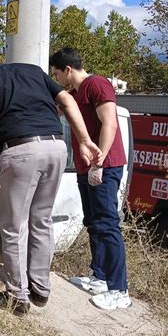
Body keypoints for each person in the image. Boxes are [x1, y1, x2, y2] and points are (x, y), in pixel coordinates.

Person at [0, 47, 100, 316]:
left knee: (14, 227)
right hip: (56, 149)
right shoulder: (33, 71)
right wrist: (85, 140)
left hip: (20, 151)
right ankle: (41, 288)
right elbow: (68, 101)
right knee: (41, 221)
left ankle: (17, 297)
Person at [50, 47, 131, 310]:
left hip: (105, 166)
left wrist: (100, 162)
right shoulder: (74, 93)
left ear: (68, 70)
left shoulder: (97, 84)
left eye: (56, 73)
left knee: (108, 225)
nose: (56, 78)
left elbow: (110, 124)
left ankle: (120, 290)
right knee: (93, 223)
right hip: (87, 168)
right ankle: (100, 277)